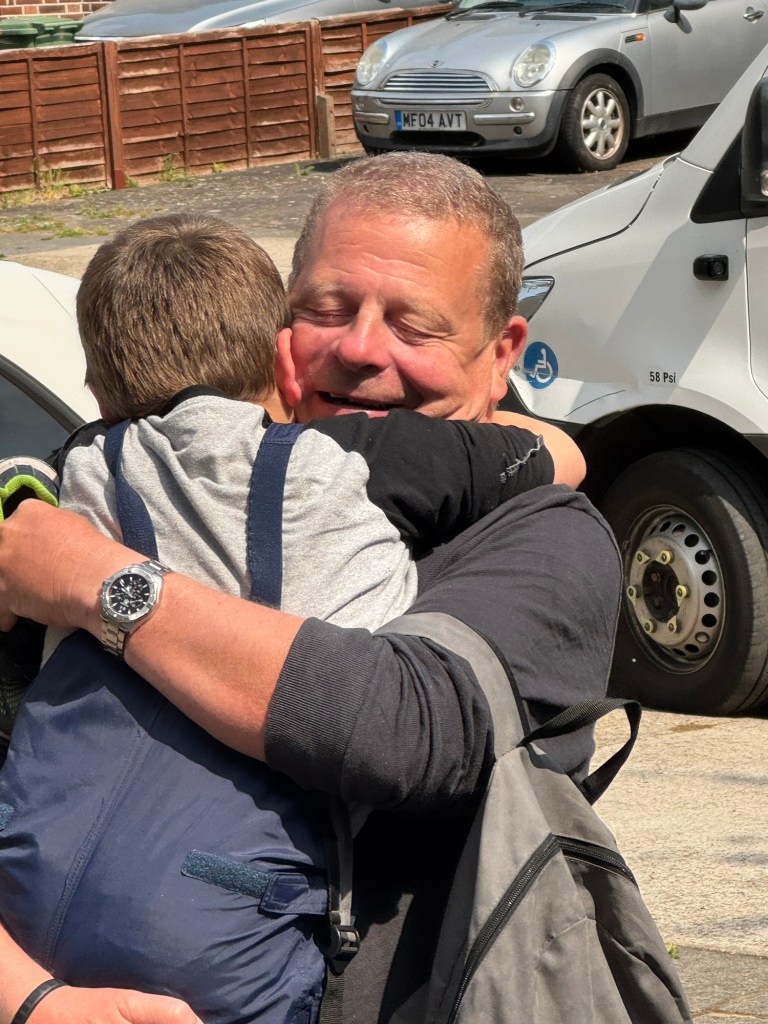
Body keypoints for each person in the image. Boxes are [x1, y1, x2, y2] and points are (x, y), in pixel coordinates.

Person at [0, 152, 621, 1024]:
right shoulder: (113, 484)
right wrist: (33, 999)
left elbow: (404, 729)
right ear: (277, 336)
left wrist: (94, 581)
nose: (361, 349)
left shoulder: (544, 535)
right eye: (326, 309)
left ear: (500, 355)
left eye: (414, 325)